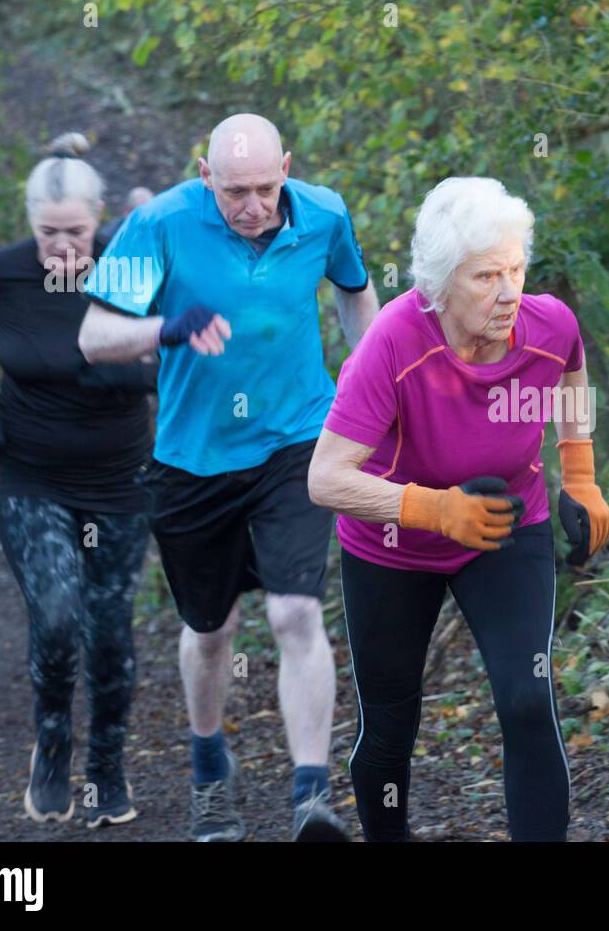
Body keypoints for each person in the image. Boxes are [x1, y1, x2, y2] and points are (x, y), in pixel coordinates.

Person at [78, 113, 381, 842]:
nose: (251, 206)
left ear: (287, 166)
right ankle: (210, 771)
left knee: (295, 613)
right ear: (205, 174)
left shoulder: (325, 213)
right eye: (234, 191)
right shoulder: (158, 224)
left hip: (298, 441)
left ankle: (311, 796)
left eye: (264, 188)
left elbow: (355, 293)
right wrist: (165, 326)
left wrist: (374, 390)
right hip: (192, 459)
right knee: (210, 631)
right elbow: (93, 337)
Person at [307, 176, 609, 841]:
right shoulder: (391, 344)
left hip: (507, 526)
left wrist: (580, 475)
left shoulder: (548, 322)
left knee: (529, 698)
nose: (508, 292)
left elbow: (571, 372)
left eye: (515, 270)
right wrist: (434, 511)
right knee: (390, 722)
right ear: (442, 284)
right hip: (392, 544)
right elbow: (325, 479)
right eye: (485, 277)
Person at [0, 132, 158, 828]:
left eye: (76, 231)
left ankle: (106, 764)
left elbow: (168, 357)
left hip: (118, 478)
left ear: (99, 217)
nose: (64, 247)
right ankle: (51, 744)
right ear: (29, 224)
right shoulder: (1, 274)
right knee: (58, 609)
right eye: (49, 234)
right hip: (27, 475)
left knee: (108, 627)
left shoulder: (129, 273)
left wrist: (119, 371)